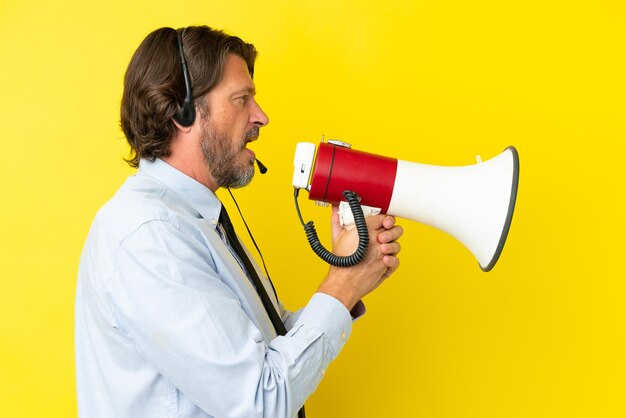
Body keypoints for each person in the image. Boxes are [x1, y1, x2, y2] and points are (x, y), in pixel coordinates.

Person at [75, 25, 403, 418]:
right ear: (183, 112)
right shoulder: (153, 237)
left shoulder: (195, 220)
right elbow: (260, 400)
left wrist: (350, 273)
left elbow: (271, 343)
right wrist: (343, 284)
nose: (261, 117)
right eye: (242, 99)